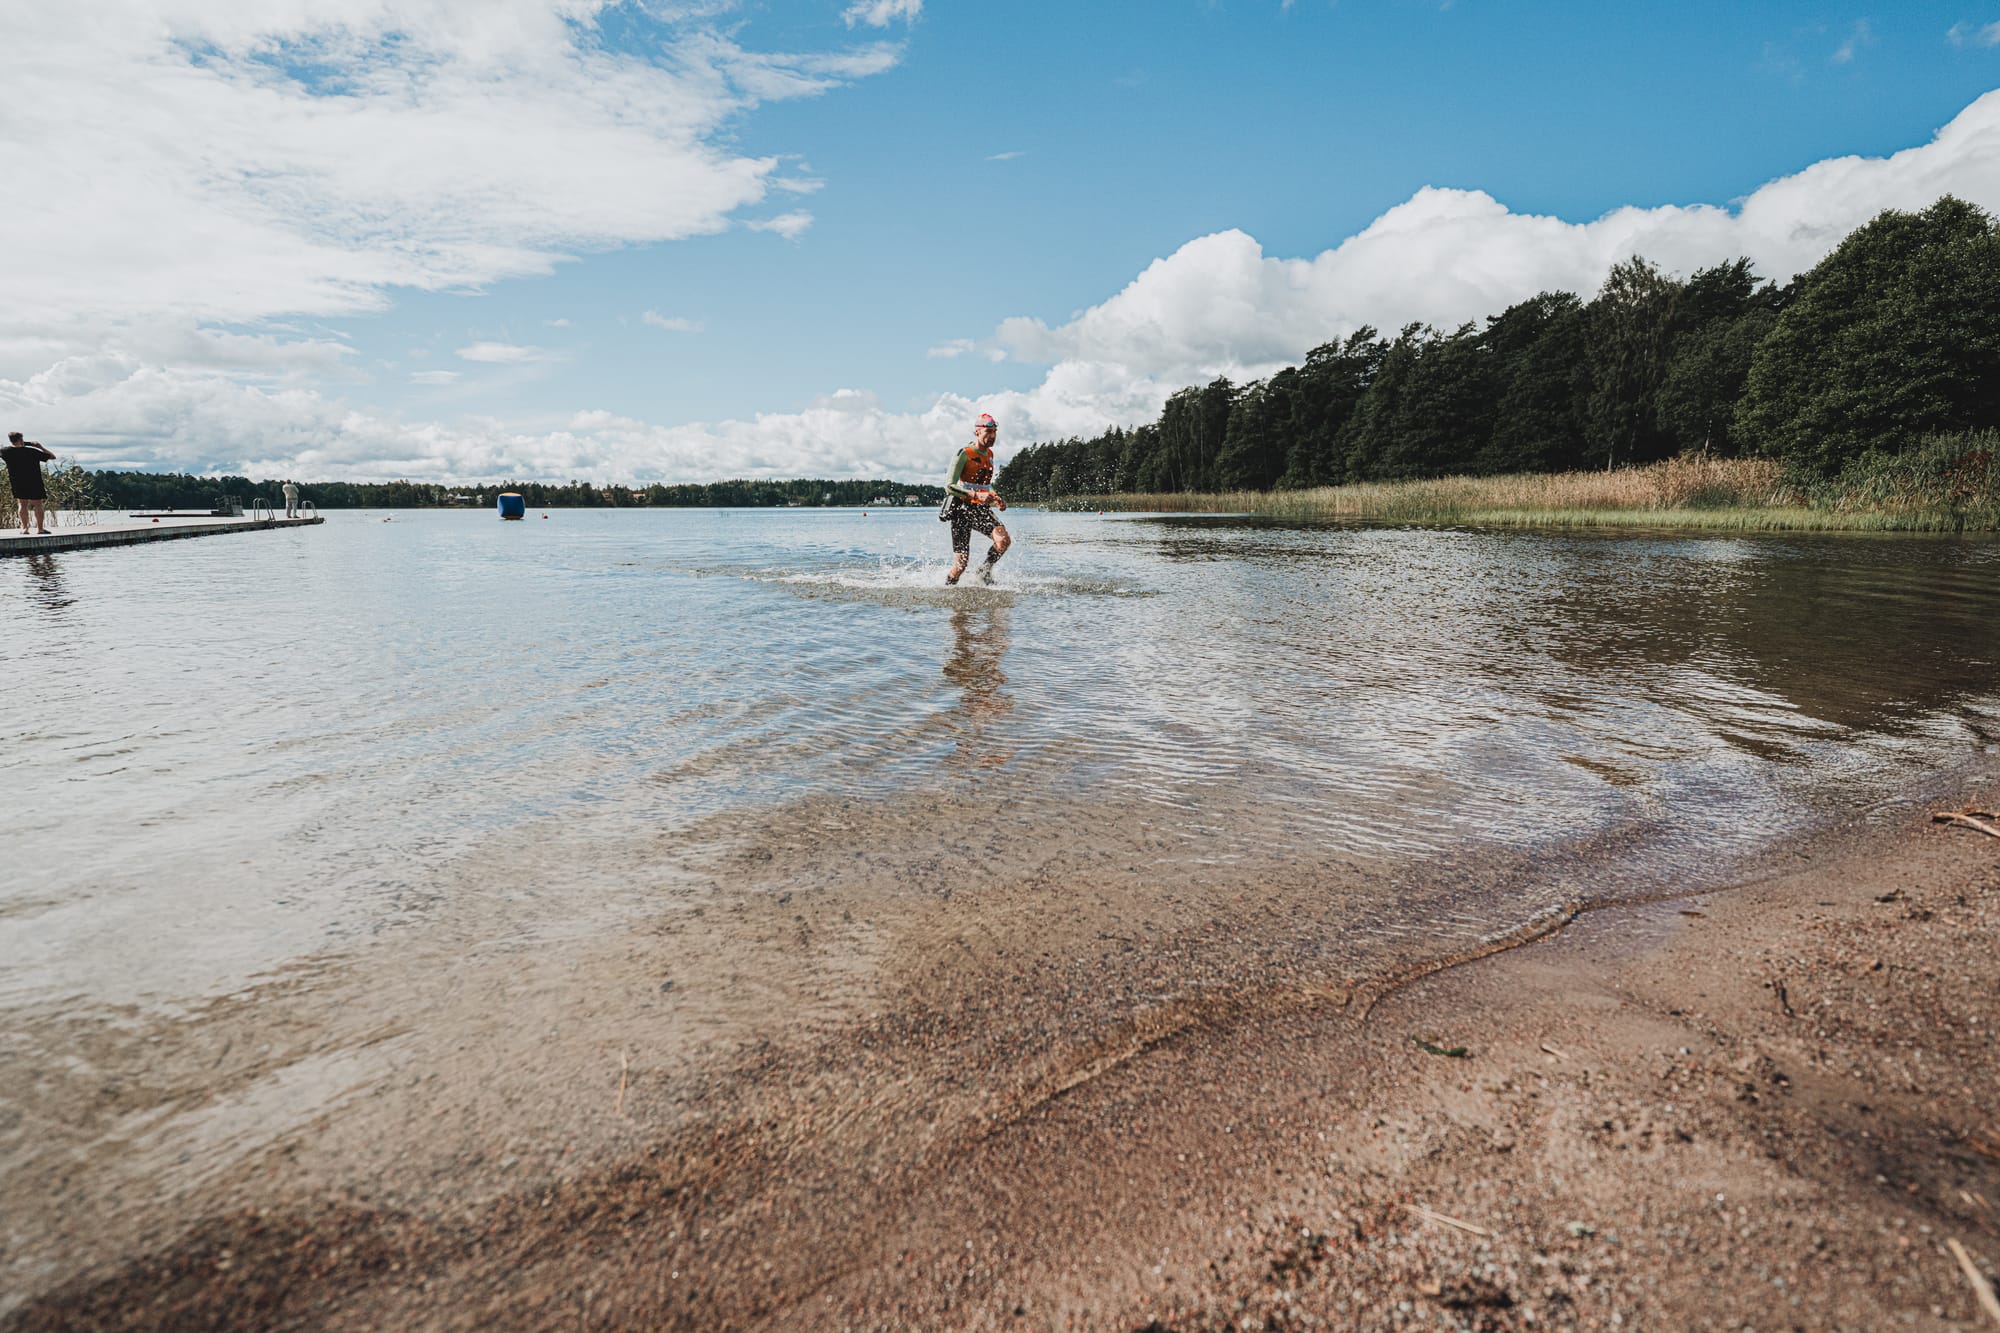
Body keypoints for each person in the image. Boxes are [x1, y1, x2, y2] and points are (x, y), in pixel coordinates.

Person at [941, 412, 1011, 585]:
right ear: (977, 432)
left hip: (980, 508)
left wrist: (995, 496)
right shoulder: (963, 453)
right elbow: (949, 485)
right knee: (961, 565)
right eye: (988, 432)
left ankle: (984, 571)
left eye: (994, 432)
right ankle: (948, 591)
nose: (992, 436)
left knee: (1003, 541)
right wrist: (975, 494)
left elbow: (985, 484)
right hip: (961, 510)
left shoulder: (990, 454)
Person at [2, 432, 55, 535]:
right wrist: (39, 446)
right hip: (34, 481)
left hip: (18, 481)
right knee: (38, 504)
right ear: (21, 439)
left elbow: (12, 448)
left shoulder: (5, 451)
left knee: (22, 504)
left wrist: (20, 444)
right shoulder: (32, 451)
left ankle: (25, 528)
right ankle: (40, 529)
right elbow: (52, 457)